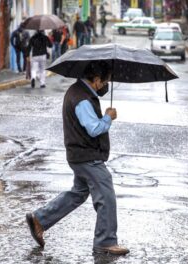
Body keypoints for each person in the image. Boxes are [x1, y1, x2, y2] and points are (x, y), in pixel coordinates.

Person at [25, 61, 130, 256]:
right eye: (104, 81)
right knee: (105, 194)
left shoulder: (78, 91)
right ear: (96, 79)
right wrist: (108, 117)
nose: (105, 85)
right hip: (86, 156)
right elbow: (94, 129)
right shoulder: (82, 98)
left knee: (78, 192)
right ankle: (105, 241)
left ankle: (40, 219)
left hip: (78, 154)